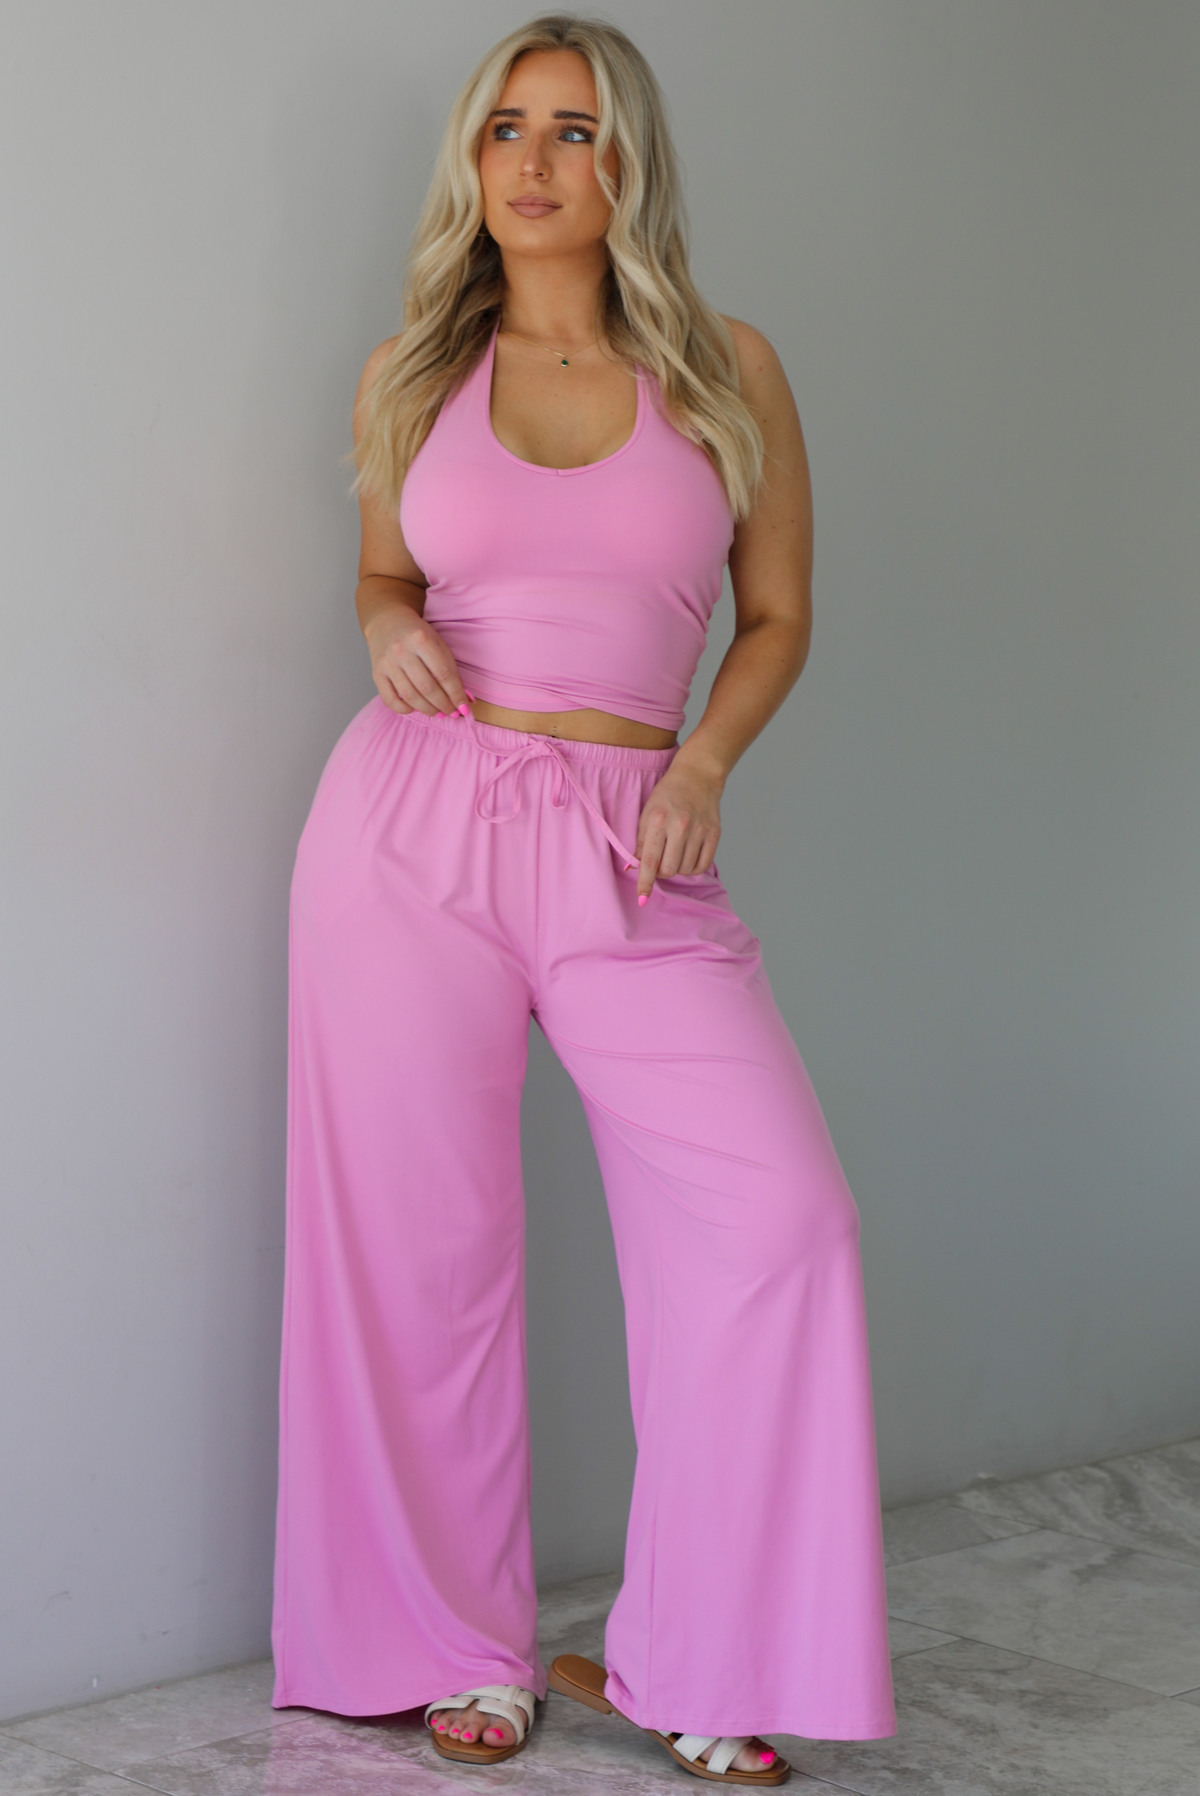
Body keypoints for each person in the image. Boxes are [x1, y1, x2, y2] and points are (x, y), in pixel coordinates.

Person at [270, 13, 896, 1785]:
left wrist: (700, 767)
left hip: (635, 837)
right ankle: (447, 1643)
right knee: (417, 1251)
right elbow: (390, 572)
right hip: (411, 826)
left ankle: (694, 1655)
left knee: (779, 1222)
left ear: (629, 163)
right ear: (471, 164)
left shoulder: (729, 368)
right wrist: (389, 628)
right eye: (506, 131)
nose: (535, 163)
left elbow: (774, 618)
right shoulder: (414, 365)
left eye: (575, 129)